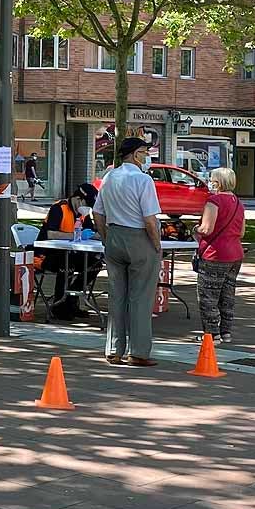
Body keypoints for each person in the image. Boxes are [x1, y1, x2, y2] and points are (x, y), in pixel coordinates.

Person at [93, 136, 162, 366]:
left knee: (117, 296)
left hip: (114, 236)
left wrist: (105, 237)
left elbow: (97, 213)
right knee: (141, 296)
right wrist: (157, 245)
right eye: (144, 152)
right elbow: (150, 220)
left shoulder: (109, 177)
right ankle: (139, 351)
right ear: (135, 155)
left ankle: (113, 349)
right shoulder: (143, 180)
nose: (147, 157)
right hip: (139, 238)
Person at [194, 167, 246, 345]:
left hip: (215, 254)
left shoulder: (214, 201)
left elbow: (206, 229)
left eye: (212, 179)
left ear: (218, 182)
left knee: (208, 295)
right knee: (227, 294)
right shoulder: (238, 202)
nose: (210, 182)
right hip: (235, 253)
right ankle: (226, 332)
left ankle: (211, 334)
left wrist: (195, 229)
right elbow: (242, 231)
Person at [33, 184, 99, 319]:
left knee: (96, 262)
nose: (88, 208)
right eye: (87, 204)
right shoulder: (59, 208)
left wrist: (102, 235)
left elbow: (91, 232)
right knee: (67, 263)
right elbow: (51, 234)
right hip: (46, 256)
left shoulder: (83, 215)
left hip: (72, 254)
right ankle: (59, 306)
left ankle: (72, 296)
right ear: (78, 199)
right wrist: (75, 235)